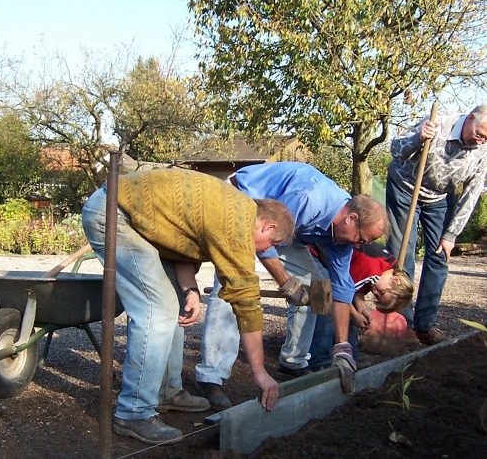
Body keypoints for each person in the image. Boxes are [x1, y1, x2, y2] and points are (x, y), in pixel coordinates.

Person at [81, 168, 294, 445]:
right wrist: (260, 373)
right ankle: (134, 412)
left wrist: (190, 290)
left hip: (135, 219)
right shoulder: (237, 223)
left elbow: (179, 243)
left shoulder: (235, 209)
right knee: (156, 309)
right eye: (271, 244)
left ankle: (166, 392)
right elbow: (247, 302)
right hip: (114, 213)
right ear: (268, 227)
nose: (265, 250)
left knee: (175, 303)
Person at [193, 162, 388, 410]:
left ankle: (294, 360)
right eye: (361, 239)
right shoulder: (309, 198)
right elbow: (269, 237)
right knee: (232, 285)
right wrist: (286, 282)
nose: (360, 246)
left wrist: (343, 347)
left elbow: (341, 287)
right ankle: (211, 377)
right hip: (244, 205)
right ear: (351, 219)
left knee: (320, 285)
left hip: (283, 229)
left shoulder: (343, 235)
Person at [386, 104, 487, 345]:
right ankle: (403, 324)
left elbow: (471, 194)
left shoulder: (483, 151)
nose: (482, 141)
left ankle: (425, 326)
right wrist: (418, 138)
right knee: (402, 255)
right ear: (471, 119)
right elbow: (395, 148)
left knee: (440, 256)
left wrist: (451, 234)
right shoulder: (439, 122)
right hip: (405, 190)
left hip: (440, 199)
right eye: (481, 134)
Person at [307, 242, 413, 371]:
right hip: (317, 254)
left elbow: (352, 285)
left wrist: (361, 306)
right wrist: (355, 314)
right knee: (327, 304)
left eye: (378, 297)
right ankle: (320, 360)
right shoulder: (372, 269)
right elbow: (340, 291)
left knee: (352, 311)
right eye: (382, 293)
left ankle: (352, 355)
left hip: (335, 264)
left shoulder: (386, 266)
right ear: (395, 280)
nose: (375, 293)